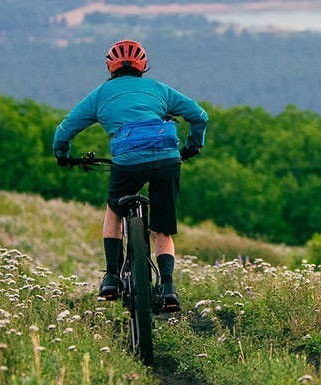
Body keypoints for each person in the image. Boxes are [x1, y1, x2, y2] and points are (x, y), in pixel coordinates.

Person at [52, 39, 206, 313]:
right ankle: (168, 286)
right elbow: (200, 116)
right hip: (166, 159)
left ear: (110, 67)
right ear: (143, 66)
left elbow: (64, 131)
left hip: (126, 162)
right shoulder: (159, 89)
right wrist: (192, 145)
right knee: (162, 227)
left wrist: (63, 155)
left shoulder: (100, 95)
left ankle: (111, 277)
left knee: (114, 210)